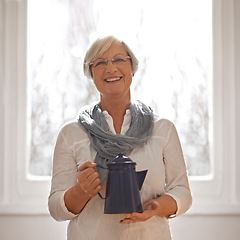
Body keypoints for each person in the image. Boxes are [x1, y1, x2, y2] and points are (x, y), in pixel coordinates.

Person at [48, 36, 192, 240]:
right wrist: (81, 190)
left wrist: (156, 206)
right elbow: (56, 207)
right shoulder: (72, 133)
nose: (110, 68)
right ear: (91, 73)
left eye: (118, 60)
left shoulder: (162, 129)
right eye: (100, 62)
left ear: (132, 68)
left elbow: (182, 192)